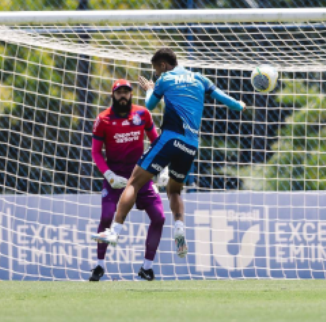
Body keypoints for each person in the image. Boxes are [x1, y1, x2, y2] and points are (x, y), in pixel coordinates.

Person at [92, 48, 245, 258]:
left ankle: (115, 232)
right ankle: (180, 229)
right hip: (191, 146)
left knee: (133, 183)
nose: (155, 73)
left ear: (163, 65)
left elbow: (149, 105)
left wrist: (151, 88)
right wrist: (240, 105)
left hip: (171, 138)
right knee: (174, 191)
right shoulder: (200, 78)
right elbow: (230, 102)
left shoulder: (165, 79)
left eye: (156, 69)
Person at [89, 79, 165, 281]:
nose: (123, 95)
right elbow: (96, 153)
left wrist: (160, 168)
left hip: (141, 176)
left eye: (126, 92)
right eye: (119, 92)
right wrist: (109, 175)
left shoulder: (142, 114)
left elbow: (157, 142)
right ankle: (99, 265)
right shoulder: (103, 119)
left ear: (131, 94)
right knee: (106, 217)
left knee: (159, 217)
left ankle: (147, 268)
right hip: (115, 180)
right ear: (113, 95)